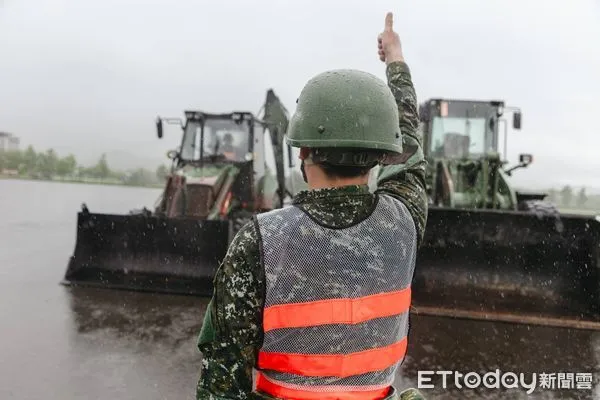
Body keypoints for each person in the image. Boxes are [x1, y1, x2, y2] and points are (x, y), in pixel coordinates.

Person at [196, 12, 428, 400]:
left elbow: (222, 378)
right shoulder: (405, 222)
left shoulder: (259, 240)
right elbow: (411, 146)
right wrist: (395, 60)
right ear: (383, 155)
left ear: (303, 149)